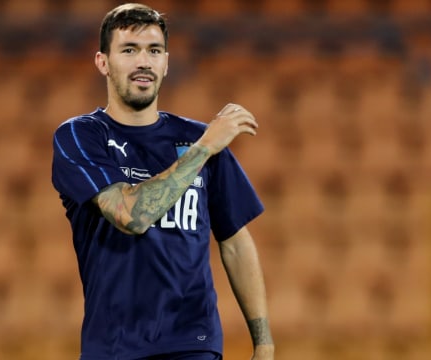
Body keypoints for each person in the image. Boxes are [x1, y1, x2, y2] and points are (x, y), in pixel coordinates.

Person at [51, 3, 274, 360]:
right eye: (129, 50)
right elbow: (130, 216)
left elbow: (234, 240)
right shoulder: (80, 136)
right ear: (102, 62)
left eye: (154, 50)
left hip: (192, 344)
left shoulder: (198, 136)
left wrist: (264, 343)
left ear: (166, 63)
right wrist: (202, 150)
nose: (144, 61)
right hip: (111, 347)